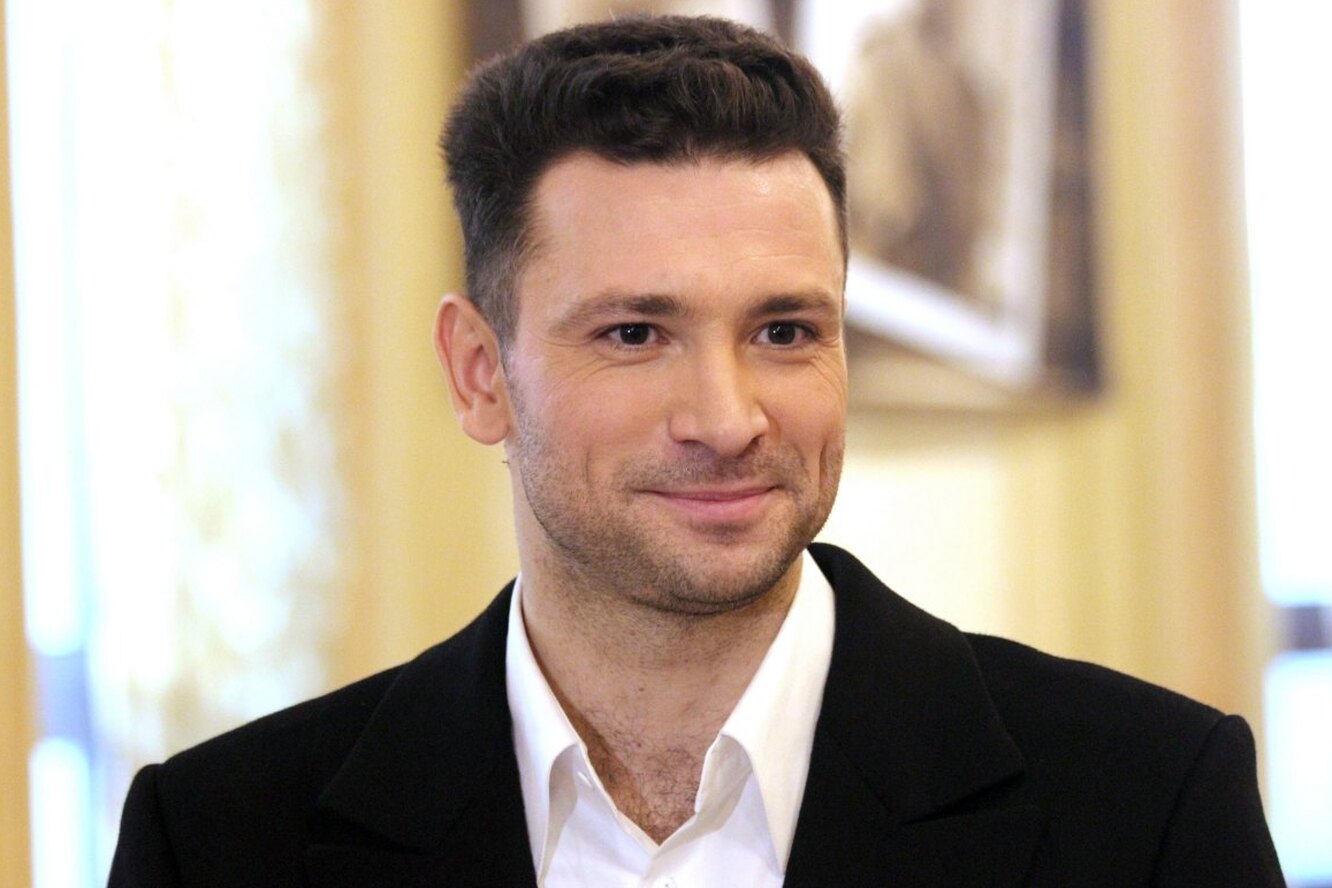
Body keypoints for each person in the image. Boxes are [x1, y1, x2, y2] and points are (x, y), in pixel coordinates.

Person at [109, 15, 1283, 887]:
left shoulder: (1147, 807)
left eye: (784, 331)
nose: (727, 419)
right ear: (479, 374)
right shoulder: (220, 842)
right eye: (635, 333)